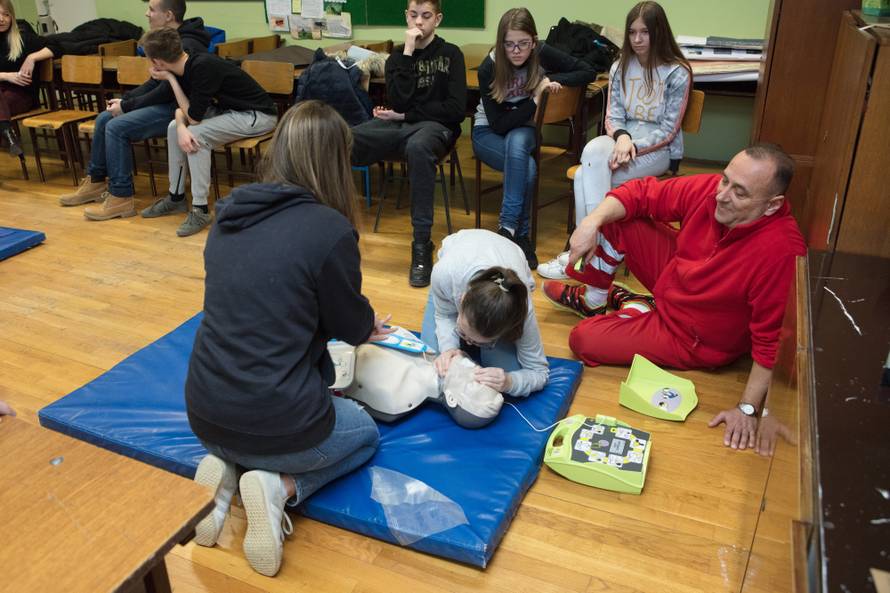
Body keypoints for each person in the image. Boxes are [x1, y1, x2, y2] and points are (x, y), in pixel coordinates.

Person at [185, 101, 392, 576]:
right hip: (280, 419)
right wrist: (368, 326)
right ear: (334, 161)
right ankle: (280, 487)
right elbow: (347, 324)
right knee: (364, 433)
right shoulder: (329, 229)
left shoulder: (229, 216)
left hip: (204, 410)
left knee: (252, 427)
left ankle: (225, 479)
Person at [542, 144, 806, 452]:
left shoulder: (782, 252)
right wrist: (588, 223)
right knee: (616, 217)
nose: (722, 195)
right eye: (725, 180)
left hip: (691, 335)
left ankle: (637, 307)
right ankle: (597, 299)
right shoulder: (712, 191)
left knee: (583, 341)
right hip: (676, 280)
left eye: (740, 193)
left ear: (772, 205)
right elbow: (637, 193)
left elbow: (770, 340)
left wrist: (747, 408)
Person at [537, 0, 691, 280]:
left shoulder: (677, 71)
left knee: (586, 176)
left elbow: (669, 130)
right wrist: (621, 138)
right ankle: (594, 257)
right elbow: (613, 116)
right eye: (632, 32)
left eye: (644, 32)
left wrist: (633, 145)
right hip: (622, 141)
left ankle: (579, 256)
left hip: (658, 149)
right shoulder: (621, 65)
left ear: (659, 32)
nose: (637, 39)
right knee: (593, 150)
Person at [112, 27, 277, 237]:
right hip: (230, 111)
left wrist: (171, 82)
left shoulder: (201, 67)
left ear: (157, 63)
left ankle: (200, 210)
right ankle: (176, 197)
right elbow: (183, 112)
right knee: (173, 127)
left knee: (197, 135)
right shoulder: (185, 66)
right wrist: (180, 125)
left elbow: (193, 117)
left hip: (258, 115)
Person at [350, 0, 467, 288]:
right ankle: (334, 228)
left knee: (417, 147)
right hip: (401, 126)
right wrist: (407, 51)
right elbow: (399, 100)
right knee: (345, 137)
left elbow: (454, 110)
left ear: (437, 19)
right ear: (406, 16)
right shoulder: (396, 58)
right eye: (413, 15)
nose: (418, 23)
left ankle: (421, 245)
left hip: (436, 130)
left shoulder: (452, 54)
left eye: (426, 16)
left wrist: (406, 115)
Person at [58, 0, 212, 217]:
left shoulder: (187, 44)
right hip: (165, 103)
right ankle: (96, 181)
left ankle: (121, 196)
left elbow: (167, 90)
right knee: (104, 118)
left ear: (168, 15)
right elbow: (154, 82)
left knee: (117, 126)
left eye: (151, 9)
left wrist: (127, 106)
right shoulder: (164, 40)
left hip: (180, 110)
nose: (146, 14)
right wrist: (124, 100)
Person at [473, 7, 596, 271]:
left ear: (534, 40)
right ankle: (522, 236)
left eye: (523, 44)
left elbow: (587, 71)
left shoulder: (540, 52)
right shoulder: (489, 68)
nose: (516, 51)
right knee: (526, 167)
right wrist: (536, 98)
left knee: (519, 144)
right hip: (489, 133)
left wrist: (547, 78)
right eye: (509, 45)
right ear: (500, 43)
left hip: (522, 130)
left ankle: (506, 229)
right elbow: (499, 123)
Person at [421, 228, 549, 397]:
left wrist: (509, 381)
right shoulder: (445, 273)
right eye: (464, 333)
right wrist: (449, 348)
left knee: (501, 381)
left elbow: (539, 372)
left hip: (509, 252)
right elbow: (444, 315)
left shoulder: (520, 310)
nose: (470, 342)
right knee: (432, 367)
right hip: (458, 257)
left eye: (482, 342)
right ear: (462, 299)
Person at [0, 0, 57, 156]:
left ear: (12, 16)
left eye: (6, 14)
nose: (1, 19)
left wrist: (32, 57)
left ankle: (7, 134)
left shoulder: (24, 38)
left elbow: (57, 46)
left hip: (21, 96)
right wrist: (6, 76)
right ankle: (8, 133)